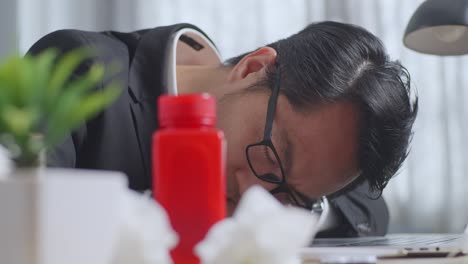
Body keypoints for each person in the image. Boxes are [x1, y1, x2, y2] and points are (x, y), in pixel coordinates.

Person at [27, 21, 417, 237]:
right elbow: (25, 219)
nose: (253, 198)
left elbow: (369, 209)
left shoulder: (320, 152)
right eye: (270, 154)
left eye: (289, 194)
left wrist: (301, 206)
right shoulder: (80, 70)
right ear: (252, 69)